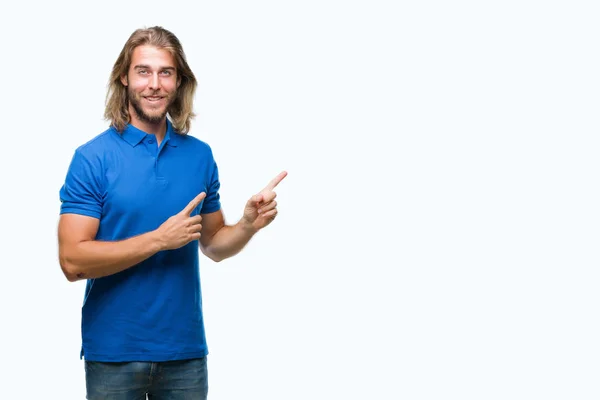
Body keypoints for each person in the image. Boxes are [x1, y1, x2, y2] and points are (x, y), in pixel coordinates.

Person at [57, 26, 286, 399]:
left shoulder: (199, 155)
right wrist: (158, 241)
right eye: (143, 71)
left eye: (166, 72)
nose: (155, 84)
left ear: (179, 82)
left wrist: (246, 226)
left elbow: (212, 245)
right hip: (114, 353)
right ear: (124, 78)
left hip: (185, 355)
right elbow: (72, 261)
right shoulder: (92, 158)